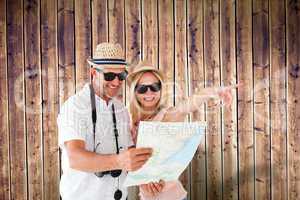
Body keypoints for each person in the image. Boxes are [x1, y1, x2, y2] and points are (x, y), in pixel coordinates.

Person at [127, 61, 239, 200]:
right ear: (135, 91)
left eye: (154, 87)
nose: (149, 93)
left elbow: (191, 103)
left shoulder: (168, 116)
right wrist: (143, 182)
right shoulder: (130, 123)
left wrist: (215, 91)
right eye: (142, 88)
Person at [57, 43, 153, 200]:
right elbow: (75, 158)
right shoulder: (74, 106)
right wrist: (119, 161)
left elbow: (129, 154)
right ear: (93, 73)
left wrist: (147, 179)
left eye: (121, 76)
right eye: (109, 76)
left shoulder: (121, 109)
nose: (116, 82)